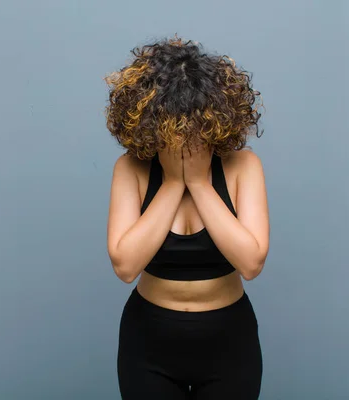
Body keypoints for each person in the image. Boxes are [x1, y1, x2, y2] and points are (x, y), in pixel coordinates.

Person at [104, 36, 270, 400]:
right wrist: (173, 184)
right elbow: (125, 266)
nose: (182, 134)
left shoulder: (244, 166)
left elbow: (251, 262)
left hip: (230, 343)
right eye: (170, 122)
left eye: (193, 121)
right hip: (148, 344)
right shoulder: (130, 169)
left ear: (215, 115)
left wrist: (198, 182)